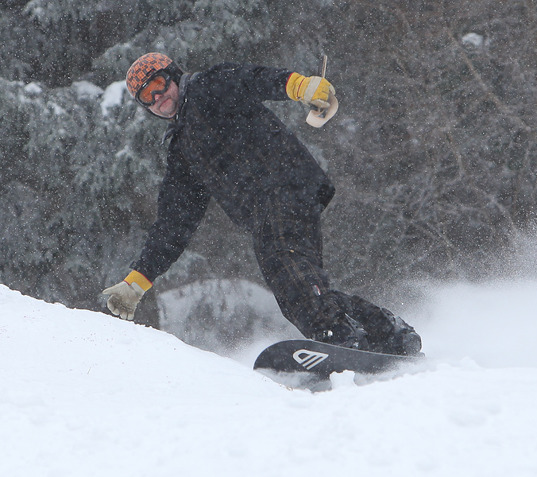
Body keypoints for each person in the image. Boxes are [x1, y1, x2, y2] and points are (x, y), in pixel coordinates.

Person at [102, 52, 422, 356]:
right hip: (264, 213)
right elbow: (175, 220)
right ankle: (387, 332)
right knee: (296, 290)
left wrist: (298, 86)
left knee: (291, 277)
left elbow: (253, 79)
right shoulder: (182, 150)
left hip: (285, 186)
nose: (158, 99)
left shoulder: (208, 85)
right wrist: (138, 280)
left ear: (173, 77)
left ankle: (338, 336)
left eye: (158, 86)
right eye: (147, 98)